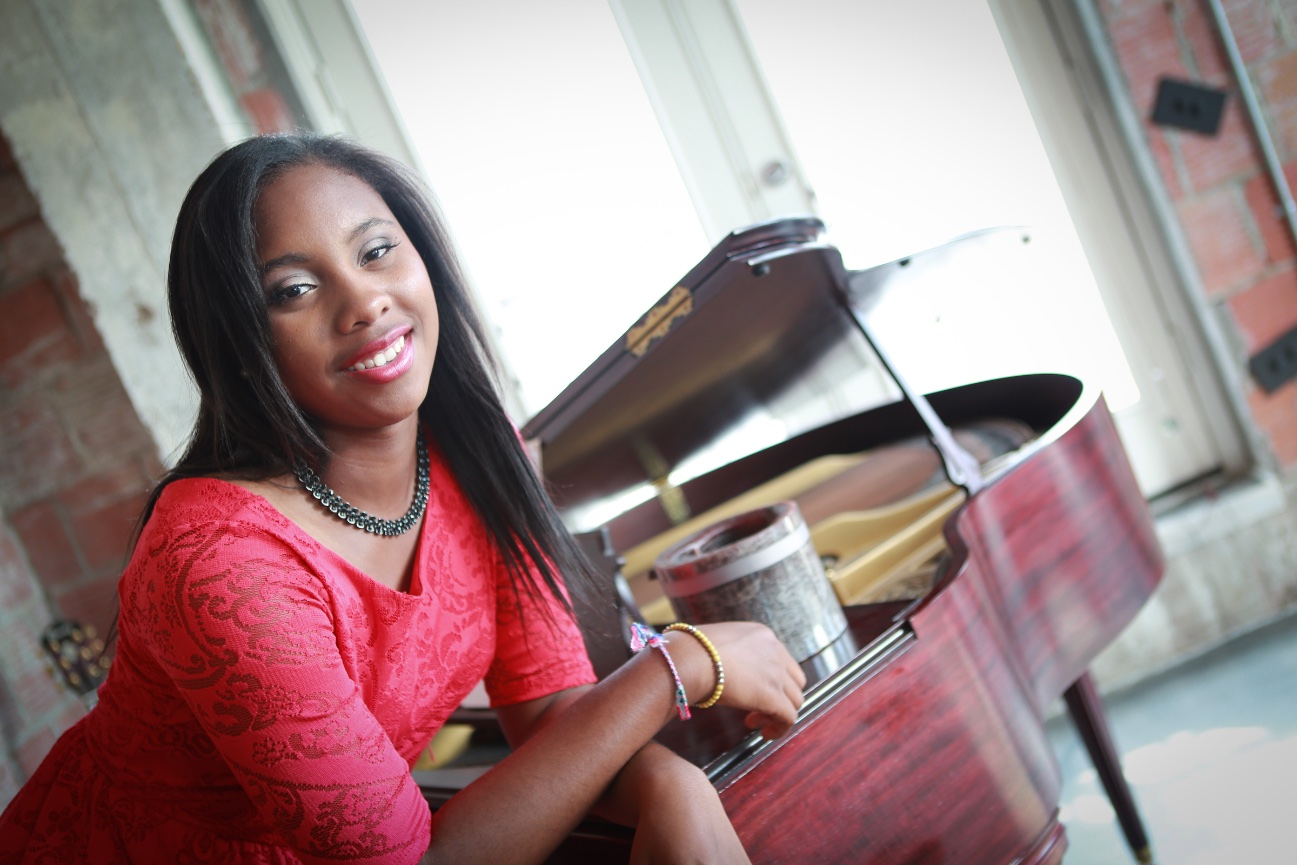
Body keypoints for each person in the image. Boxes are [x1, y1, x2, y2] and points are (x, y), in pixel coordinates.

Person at [0, 133, 806, 864]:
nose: (363, 302)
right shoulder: (221, 563)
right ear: (239, 346)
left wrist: (674, 786)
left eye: (377, 250)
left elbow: (552, 709)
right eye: (293, 290)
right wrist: (677, 665)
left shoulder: (477, 452)